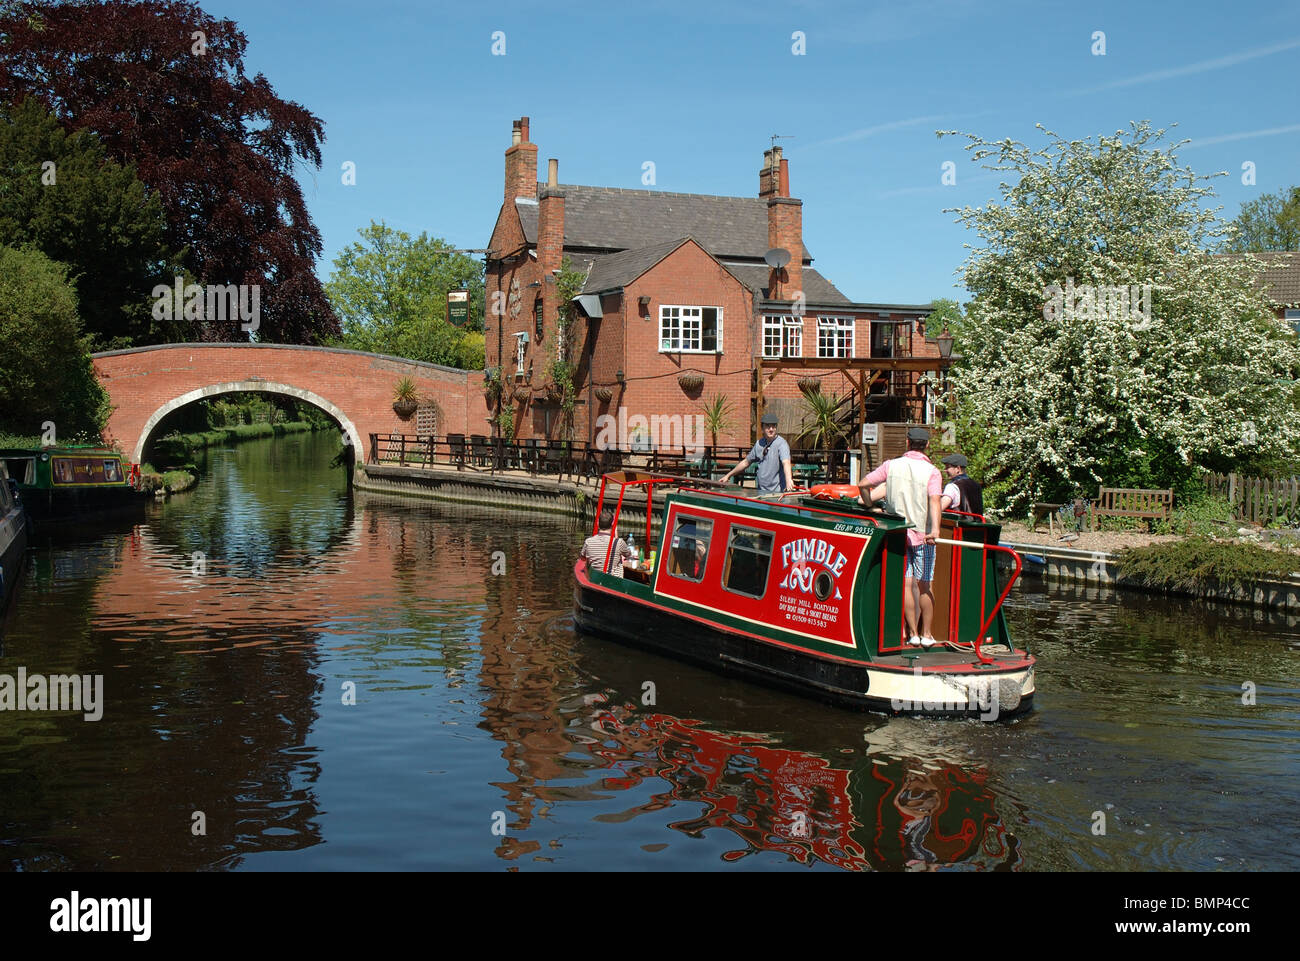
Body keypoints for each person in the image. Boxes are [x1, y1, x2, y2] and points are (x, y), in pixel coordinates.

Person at [857, 426, 942, 647]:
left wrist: (869, 506)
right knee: (925, 584)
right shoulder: (932, 472)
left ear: (906, 443)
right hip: (923, 536)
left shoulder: (891, 466)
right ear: (927, 446)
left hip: (897, 534)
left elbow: (863, 484)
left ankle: (912, 633)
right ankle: (927, 635)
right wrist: (936, 531)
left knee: (905, 585)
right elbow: (934, 501)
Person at [719, 412, 794, 494]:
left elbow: (786, 462)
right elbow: (746, 462)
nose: (771, 429)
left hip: (777, 493)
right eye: (768, 426)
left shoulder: (782, 444)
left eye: (773, 426)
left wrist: (788, 480)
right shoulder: (759, 444)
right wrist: (728, 475)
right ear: (762, 428)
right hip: (761, 491)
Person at [580, 508, 632, 578]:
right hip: (615, 581)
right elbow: (628, 554)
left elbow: (583, 558)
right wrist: (616, 535)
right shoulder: (619, 543)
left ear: (598, 523)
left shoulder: (588, 542)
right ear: (612, 524)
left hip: (595, 578)